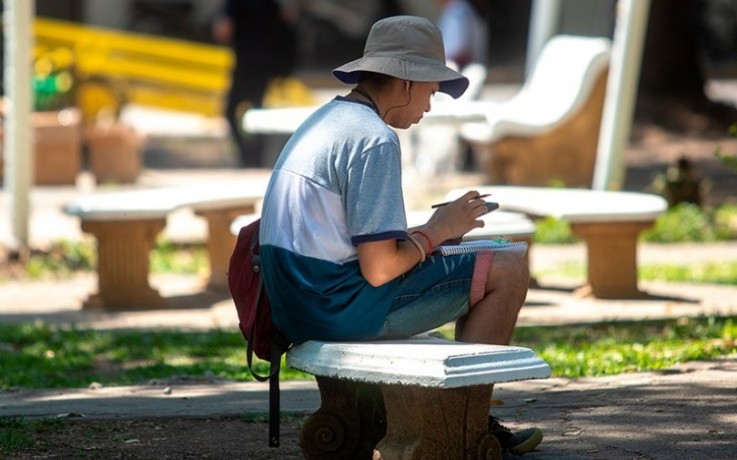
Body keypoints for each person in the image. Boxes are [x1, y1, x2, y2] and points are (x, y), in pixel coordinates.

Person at [258, 15, 542, 455]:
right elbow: (380, 268)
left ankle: (456, 415)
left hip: (300, 302)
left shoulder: (329, 121)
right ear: (406, 81)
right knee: (506, 267)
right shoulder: (373, 138)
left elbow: (350, 243)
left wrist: (429, 237)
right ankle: (465, 425)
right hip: (337, 306)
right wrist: (439, 229)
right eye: (430, 91)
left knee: (471, 257)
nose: (429, 106)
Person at [212, 0, 299, 168]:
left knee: (233, 110)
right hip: (264, 65)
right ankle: (255, 156)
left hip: (246, 64)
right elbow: (286, 26)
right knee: (256, 109)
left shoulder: (236, 4)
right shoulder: (272, 4)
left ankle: (248, 156)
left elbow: (222, 32)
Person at [436, 0, 489, 69]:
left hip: (467, 67)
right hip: (456, 63)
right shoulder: (451, 9)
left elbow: (459, 47)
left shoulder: (460, 9)